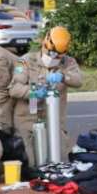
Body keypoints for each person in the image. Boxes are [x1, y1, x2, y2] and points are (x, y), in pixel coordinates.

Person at [9, 26, 84, 163]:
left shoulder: (68, 62)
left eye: (58, 56)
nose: (53, 57)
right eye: (51, 53)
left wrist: (62, 76)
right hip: (28, 121)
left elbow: (78, 81)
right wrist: (33, 92)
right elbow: (14, 88)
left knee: (59, 162)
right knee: (31, 164)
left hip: (53, 121)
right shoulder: (25, 61)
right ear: (44, 44)